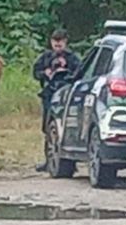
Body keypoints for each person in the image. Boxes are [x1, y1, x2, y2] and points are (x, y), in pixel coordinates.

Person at [32, 28, 81, 172]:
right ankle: (49, 160)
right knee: (48, 127)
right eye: (55, 42)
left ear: (65, 42)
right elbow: (35, 72)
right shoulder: (46, 57)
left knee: (66, 126)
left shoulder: (72, 58)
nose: (57, 45)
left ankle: (68, 161)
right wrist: (45, 73)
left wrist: (65, 74)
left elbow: (79, 74)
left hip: (66, 96)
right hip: (49, 94)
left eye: (60, 43)